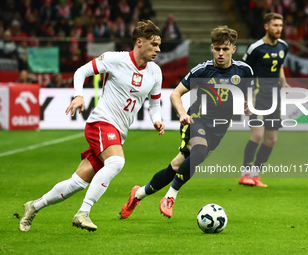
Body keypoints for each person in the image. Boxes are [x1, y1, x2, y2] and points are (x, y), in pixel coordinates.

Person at [19, 20, 164, 232]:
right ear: (139, 42)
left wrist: (156, 119)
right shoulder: (115, 59)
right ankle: (83, 212)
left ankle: (34, 206)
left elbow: (155, 103)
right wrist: (79, 95)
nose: (158, 50)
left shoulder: (155, 72)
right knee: (116, 162)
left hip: (118, 132)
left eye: (160, 45)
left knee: (76, 183)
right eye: (154, 44)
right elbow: (81, 72)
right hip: (101, 122)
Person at [120, 25, 254, 219]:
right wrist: (182, 113)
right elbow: (176, 94)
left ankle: (138, 193)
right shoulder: (203, 70)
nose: (221, 53)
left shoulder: (244, 71)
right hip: (196, 120)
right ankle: (169, 197)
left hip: (219, 129)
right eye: (217, 48)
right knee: (198, 153)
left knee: (176, 166)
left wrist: (248, 105)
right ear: (212, 48)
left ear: (233, 49)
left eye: (225, 49)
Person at [238, 13, 289, 187]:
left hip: (275, 98)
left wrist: (284, 82)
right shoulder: (256, 48)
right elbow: (244, 71)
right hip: (257, 97)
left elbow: (279, 65)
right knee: (258, 135)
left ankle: (256, 174)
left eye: (280, 25)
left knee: (271, 139)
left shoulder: (283, 46)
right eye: (275, 25)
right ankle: (245, 173)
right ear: (266, 26)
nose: (278, 29)